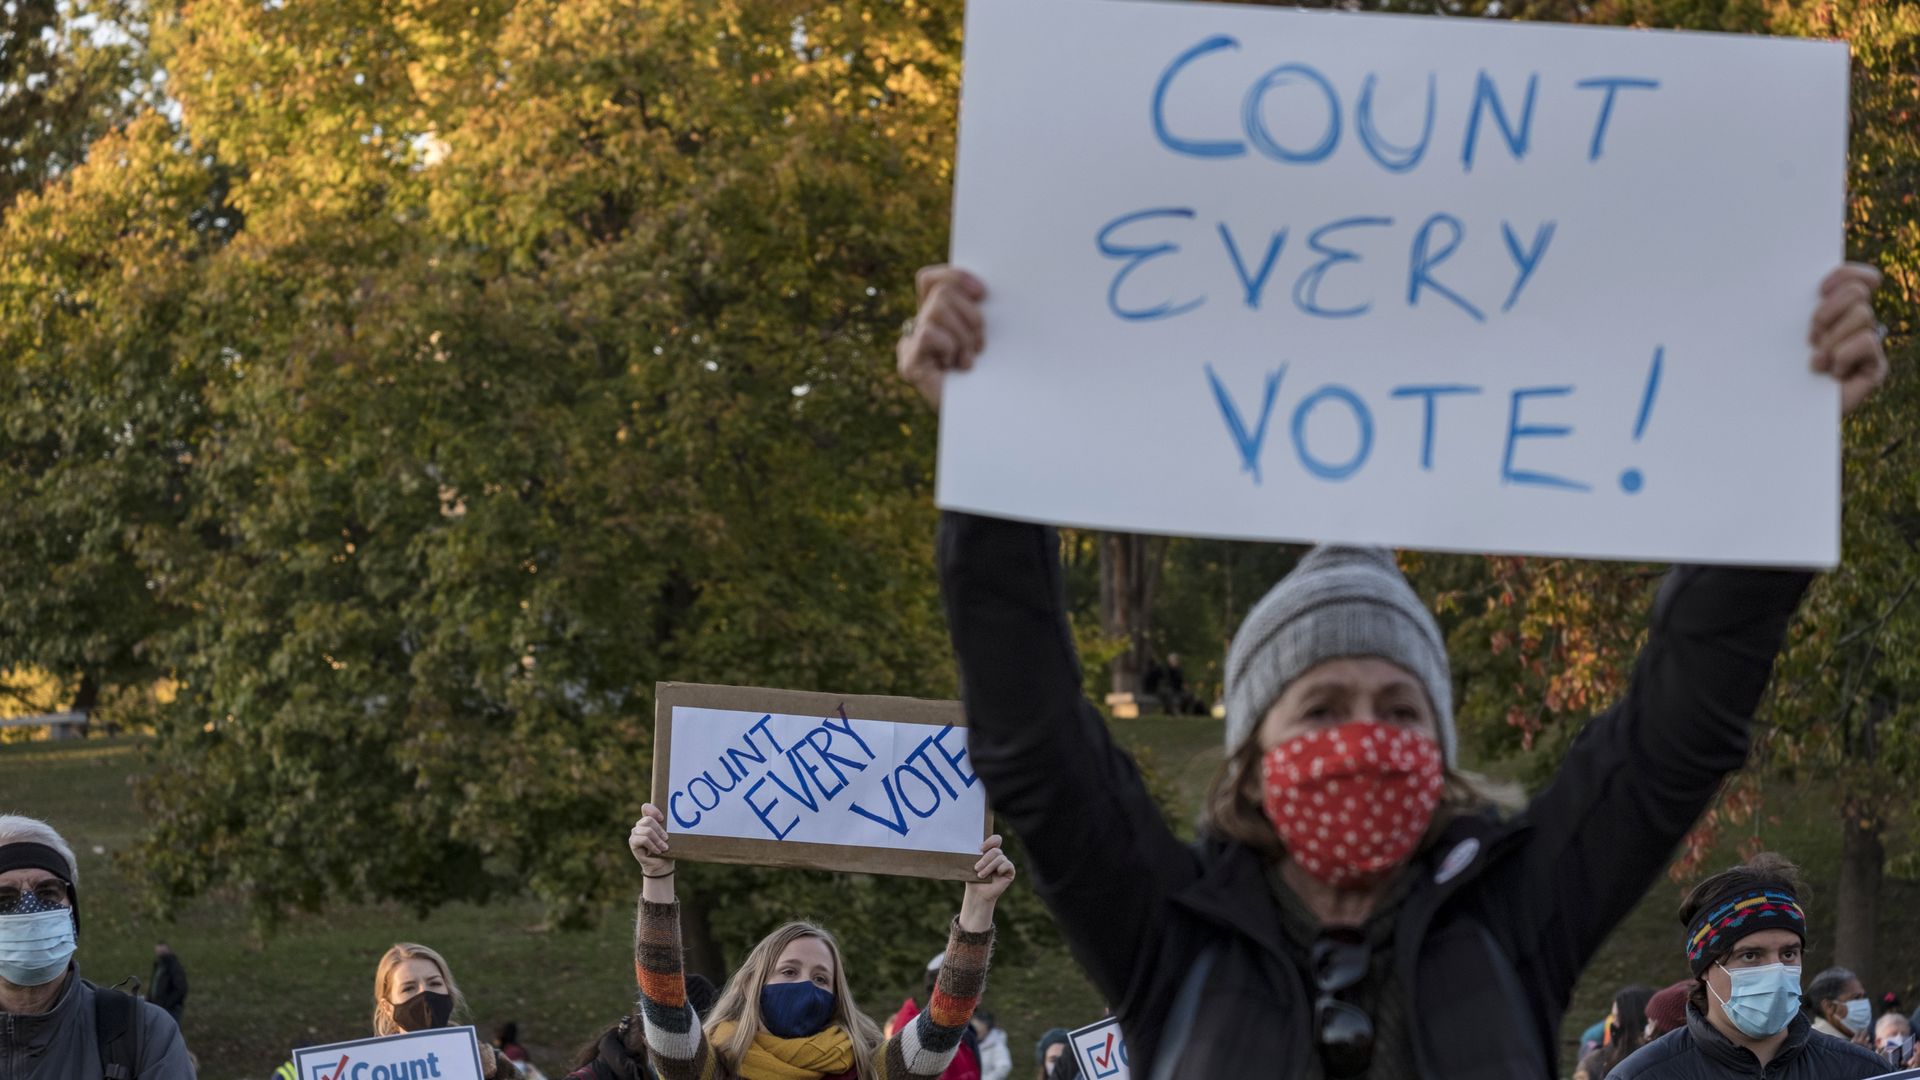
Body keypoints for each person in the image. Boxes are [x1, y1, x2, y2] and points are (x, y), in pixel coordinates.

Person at [898, 260, 1892, 1079]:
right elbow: (1033, 741)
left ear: (1444, 751)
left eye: (1398, 707)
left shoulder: (1518, 916)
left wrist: (1782, 445)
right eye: (1321, 704)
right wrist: (987, 453)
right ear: (1253, 753)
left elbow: (1680, 727)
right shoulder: (1171, 930)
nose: (1362, 732)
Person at [626, 803, 1015, 1080]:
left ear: (836, 995)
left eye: (820, 979)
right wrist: (657, 877)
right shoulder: (709, 1069)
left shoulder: (872, 1071)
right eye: (789, 971)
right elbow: (663, 998)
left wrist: (979, 905)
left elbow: (945, 1020)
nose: (805, 985)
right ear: (752, 985)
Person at [1607, 853, 1887, 1079]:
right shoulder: (1644, 1075)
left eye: (1789, 954)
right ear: (1704, 968)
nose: (1776, 970)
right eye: (1751, 956)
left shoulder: (1862, 1071)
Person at [0, 814, 193, 1078]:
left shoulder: (144, 1034)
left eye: (47, 893)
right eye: (4, 898)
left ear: (73, 913)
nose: (29, 912)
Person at [372, 942, 518, 1079]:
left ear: (449, 994)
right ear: (387, 1007)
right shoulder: (369, 1069)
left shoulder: (496, 1067)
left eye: (434, 983)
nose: (424, 994)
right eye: (409, 988)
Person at [884, 953, 982, 1080]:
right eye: (972, 986)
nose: (979, 993)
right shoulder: (921, 1034)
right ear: (950, 989)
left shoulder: (963, 1029)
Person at [1575, 985, 1655, 1080]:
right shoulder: (1598, 1062)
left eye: (1617, 1018)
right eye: (1613, 1017)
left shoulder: (1657, 1057)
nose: (1613, 1023)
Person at [1806, 966, 1873, 1043]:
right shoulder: (1814, 1044)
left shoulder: (1860, 1041)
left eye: (1864, 996)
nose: (1864, 1003)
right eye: (1856, 998)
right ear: (1829, 1006)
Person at [149, 941, 188, 1024]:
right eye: (158, 952)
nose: (160, 954)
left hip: (171, 1009)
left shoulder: (174, 967)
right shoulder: (159, 966)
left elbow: (181, 988)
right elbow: (154, 986)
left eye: (162, 952)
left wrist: (167, 1004)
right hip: (159, 1007)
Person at [971, 1009, 1011, 1080]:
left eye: (979, 1029)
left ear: (987, 1028)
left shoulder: (997, 1045)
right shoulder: (970, 1042)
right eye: (973, 1028)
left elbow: (1004, 1067)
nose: (975, 1032)